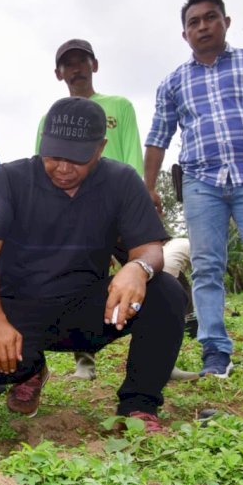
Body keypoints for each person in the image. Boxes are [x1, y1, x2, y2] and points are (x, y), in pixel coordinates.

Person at [0, 97, 186, 432]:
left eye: (77, 158)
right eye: (54, 156)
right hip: (23, 308)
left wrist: (137, 268)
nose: (63, 168)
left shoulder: (122, 181)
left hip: (90, 310)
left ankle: (138, 404)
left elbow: (150, 249)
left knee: (166, 291)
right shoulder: (11, 179)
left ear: (100, 148)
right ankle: (30, 370)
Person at [37, 38, 193, 381]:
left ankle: (162, 358)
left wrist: (141, 197)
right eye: (68, 63)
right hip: (74, 216)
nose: (75, 68)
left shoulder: (119, 107)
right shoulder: (52, 117)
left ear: (94, 65)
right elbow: (42, 169)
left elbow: (131, 155)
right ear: (58, 73)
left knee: (157, 276)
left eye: (82, 61)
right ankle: (84, 363)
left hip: (119, 210)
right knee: (81, 280)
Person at [144, 0, 243, 378]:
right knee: (205, 268)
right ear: (185, 34)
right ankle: (215, 352)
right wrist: (148, 187)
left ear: (226, 22)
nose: (202, 26)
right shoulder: (173, 83)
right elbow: (158, 136)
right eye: (193, 22)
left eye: (210, 18)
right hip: (202, 183)